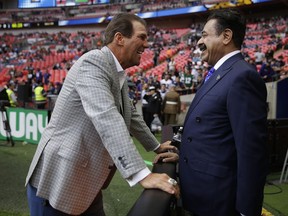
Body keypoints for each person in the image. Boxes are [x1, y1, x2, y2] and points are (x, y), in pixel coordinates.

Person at [25, 13, 179, 216]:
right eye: (142, 37)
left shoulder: (116, 71)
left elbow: (130, 114)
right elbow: (106, 117)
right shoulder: (94, 62)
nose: (147, 44)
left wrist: (156, 146)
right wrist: (141, 174)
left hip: (85, 183)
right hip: (57, 182)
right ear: (120, 38)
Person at [178, 9, 268, 216]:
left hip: (218, 201)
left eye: (205, 35)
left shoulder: (242, 76)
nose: (199, 42)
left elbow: (251, 151)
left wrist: (247, 209)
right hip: (201, 194)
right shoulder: (219, 73)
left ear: (226, 36)